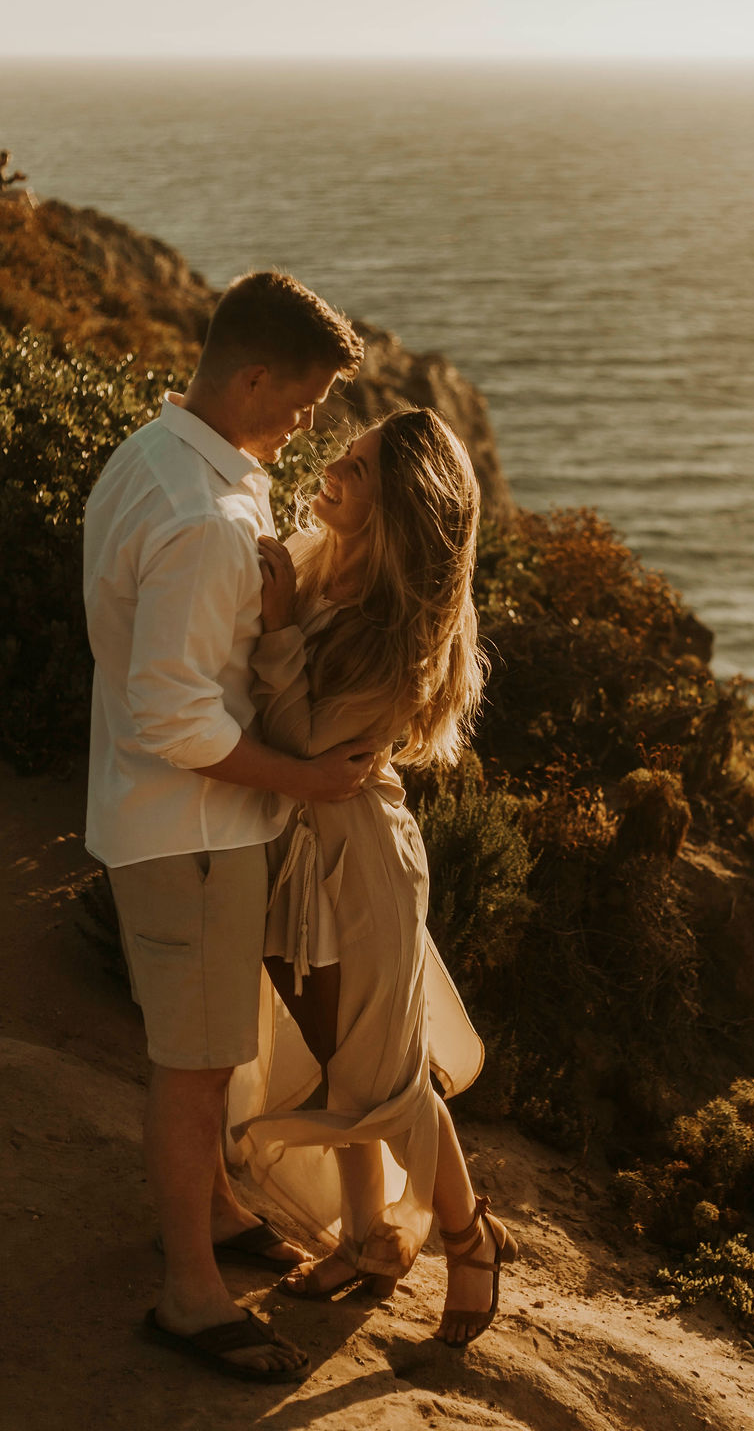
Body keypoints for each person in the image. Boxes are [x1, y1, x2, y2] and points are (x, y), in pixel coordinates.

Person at [83, 270, 372, 1384]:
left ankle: (206, 1205)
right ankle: (190, 1293)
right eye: (300, 405)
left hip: (162, 817)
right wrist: (302, 778)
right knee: (196, 1066)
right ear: (251, 375)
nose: (305, 427)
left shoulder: (152, 459)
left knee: (201, 1046)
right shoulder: (203, 518)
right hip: (192, 828)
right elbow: (175, 714)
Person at [227, 404, 517, 1348]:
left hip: (358, 864)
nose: (333, 471)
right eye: (344, 455)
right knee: (335, 1061)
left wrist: (275, 629)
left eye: (356, 469)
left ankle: (472, 1243)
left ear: (396, 511)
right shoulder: (319, 563)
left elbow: (301, 737)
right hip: (300, 853)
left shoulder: (399, 627)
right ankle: (369, 1239)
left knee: (382, 1077)